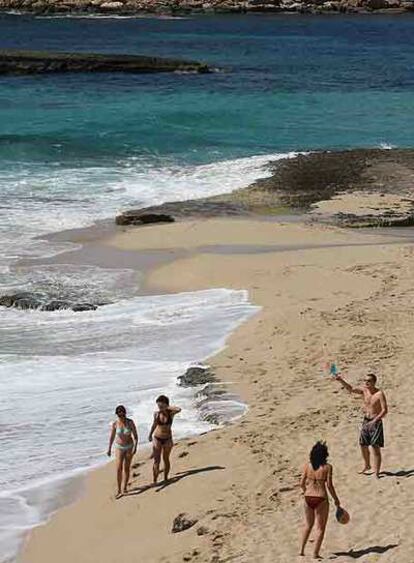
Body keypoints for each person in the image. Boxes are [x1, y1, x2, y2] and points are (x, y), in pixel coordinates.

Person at [335, 372, 388, 478]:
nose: (366, 382)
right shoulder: (364, 391)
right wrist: (341, 380)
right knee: (363, 444)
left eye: (368, 381)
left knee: (375, 447)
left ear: (374, 382)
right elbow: (351, 389)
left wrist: (375, 420)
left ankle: (377, 472)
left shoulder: (379, 394)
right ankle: (367, 465)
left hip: (375, 422)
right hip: (366, 420)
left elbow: (385, 410)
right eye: (365, 380)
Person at [300, 441, 341, 559]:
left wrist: (305, 491)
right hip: (321, 498)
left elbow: (301, 483)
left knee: (308, 525)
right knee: (320, 528)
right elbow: (329, 486)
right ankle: (315, 553)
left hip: (308, 497)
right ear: (325, 455)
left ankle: (301, 550)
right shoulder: (328, 467)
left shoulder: (307, 466)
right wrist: (336, 499)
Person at [148, 395, 181, 484]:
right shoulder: (156, 414)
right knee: (156, 460)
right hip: (157, 438)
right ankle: (154, 480)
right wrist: (150, 434)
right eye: (158, 406)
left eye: (161, 405)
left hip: (167, 439)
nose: (159, 407)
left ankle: (166, 478)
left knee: (166, 459)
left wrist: (167, 407)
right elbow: (154, 424)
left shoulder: (171, 413)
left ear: (165, 404)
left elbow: (179, 409)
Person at [107, 405, 138, 498]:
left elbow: (136, 436)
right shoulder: (115, 424)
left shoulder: (130, 422)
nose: (121, 416)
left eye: (123, 414)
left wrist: (135, 447)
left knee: (126, 468)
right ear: (117, 415)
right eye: (119, 415)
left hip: (129, 446)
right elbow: (112, 437)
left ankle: (125, 488)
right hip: (119, 447)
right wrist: (109, 448)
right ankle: (119, 490)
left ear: (125, 413)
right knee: (118, 468)